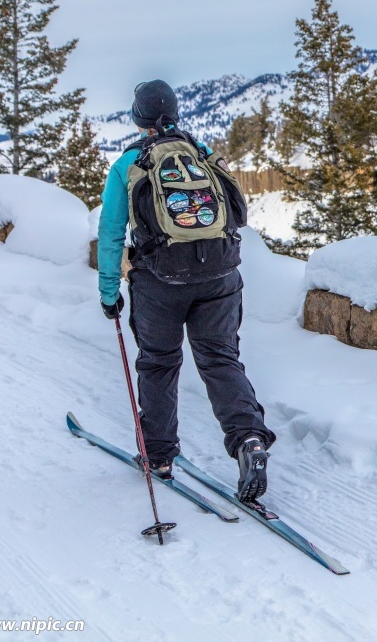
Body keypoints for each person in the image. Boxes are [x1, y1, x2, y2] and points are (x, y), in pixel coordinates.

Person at [96, 79, 275, 503]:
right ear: (175, 112)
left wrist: (108, 292)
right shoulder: (202, 154)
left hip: (160, 280)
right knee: (219, 358)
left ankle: (158, 456)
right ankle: (249, 438)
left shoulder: (128, 163)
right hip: (220, 275)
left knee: (158, 363)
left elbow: (110, 233)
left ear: (138, 118)